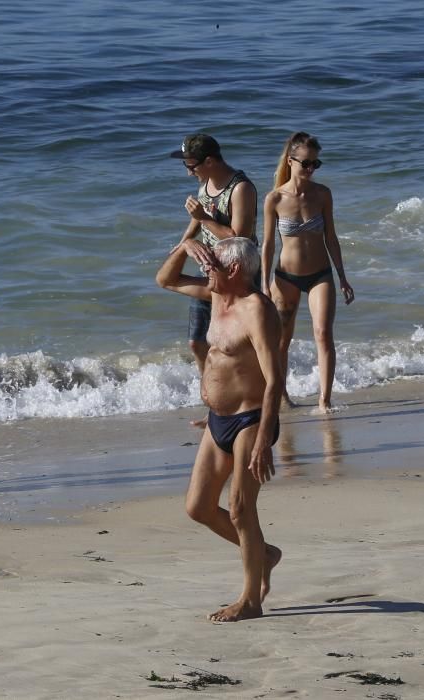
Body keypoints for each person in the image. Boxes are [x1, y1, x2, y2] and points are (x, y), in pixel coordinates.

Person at [156, 236, 284, 622]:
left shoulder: (256, 310)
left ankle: (251, 601)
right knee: (197, 507)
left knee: (242, 511)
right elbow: (165, 280)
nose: (204, 270)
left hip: (251, 419)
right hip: (218, 421)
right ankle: (265, 555)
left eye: (211, 265)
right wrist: (187, 245)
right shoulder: (217, 297)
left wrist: (264, 437)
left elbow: (275, 379)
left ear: (232, 270)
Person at [169, 134, 258, 427]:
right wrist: (183, 243)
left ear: (209, 161)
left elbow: (240, 237)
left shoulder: (241, 188)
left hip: (236, 275)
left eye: (191, 165)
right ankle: (217, 403)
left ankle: (244, 404)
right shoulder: (205, 180)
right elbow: (198, 218)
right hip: (209, 271)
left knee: (234, 345)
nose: (188, 171)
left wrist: (204, 218)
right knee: (197, 343)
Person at [262, 132, 354, 412]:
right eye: (306, 164)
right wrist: (264, 285)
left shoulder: (322, 194)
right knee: (281, 341)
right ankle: (282, 396)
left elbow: (331, 238)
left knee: (323, 333)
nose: (311, 169)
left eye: (316, 164)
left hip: (320, 274)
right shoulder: (274, 199)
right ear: (291, 161)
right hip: (285, 277)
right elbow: (267, 245)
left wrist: (342, 276)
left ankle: (324, 401)